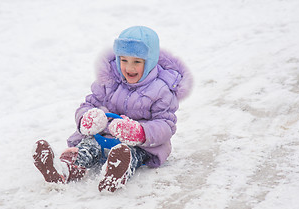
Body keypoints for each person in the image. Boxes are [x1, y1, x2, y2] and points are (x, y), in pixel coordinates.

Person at [32, 26, 193, 192]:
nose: (129, 68)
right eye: (124, 60)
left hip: (138, 144)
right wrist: (87, 119)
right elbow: (88, 104)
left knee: (128, 154)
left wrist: (140, 133)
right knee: (87, 147)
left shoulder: (161, 89)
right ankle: (64, 169)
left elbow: (166, 125)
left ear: (150, 61)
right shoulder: (109, 80)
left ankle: (115, 173)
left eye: (137, 62)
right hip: (102, 137)